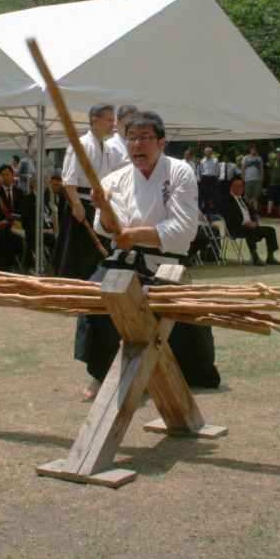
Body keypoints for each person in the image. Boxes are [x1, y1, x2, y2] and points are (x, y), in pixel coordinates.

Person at [80, 110, 220, 400]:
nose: (136, 145)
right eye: (131, 138)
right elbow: (109, 228)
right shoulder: (115, 178)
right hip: (123, 262)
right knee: (96, 295)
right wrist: (103, 207)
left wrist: (133, 235)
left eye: (144, 138)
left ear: (161, 142)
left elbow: (183, 230)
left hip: (164, 263)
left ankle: (171, 372)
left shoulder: (179, 171)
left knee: (181, 335)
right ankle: (102, 372)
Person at [57, 104, 126, 281]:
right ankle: (72, 289)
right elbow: (69, 180)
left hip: (98, 204)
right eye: (109, 120)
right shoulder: (81, 144)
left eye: (113, 120)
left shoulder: (107, 147)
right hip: (80, 202)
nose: (112, 124)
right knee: (76, 252)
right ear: (95, 120)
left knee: (95, 252)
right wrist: (76, 204)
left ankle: (93, 286)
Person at [220, 175, 280, 266]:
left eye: (241, 186)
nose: (240, 188)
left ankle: (270, 256)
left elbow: (252, 213)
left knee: (270, 230)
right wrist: (245, 224)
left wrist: (255, 222)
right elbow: (230, 217)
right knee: (249, 230)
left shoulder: (243, 200)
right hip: (236, 228)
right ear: (231, 187)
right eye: (237, 186)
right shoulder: (227, 200)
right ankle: (255, 257)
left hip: (250, 226)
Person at [242, 144, 264, 211]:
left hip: (257, 180)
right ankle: (247, 211)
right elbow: (242, 169)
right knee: (247, 197)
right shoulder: (245, 158)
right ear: (250, 150)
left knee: (256, 197)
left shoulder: (259, 158)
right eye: (252, 149)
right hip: (248, 180)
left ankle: (255, 211)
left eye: (255, 149)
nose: (254, 150)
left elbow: (262, 169)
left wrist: (262, 179)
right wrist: (243, 179)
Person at [197, 146, 220, 212]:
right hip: (205, 178)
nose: (208, 153)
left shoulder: (215, 160)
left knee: (213, 194)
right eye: (207, 152)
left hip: (213, 178)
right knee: (204, 194)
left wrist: (216, 178)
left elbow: (218, 170)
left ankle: (213, 209)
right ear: (205, 153)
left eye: (209, 152)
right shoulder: (202, 161)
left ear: (211, 153)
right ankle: (205, 208)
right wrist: (201, 178)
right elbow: (201, 170)